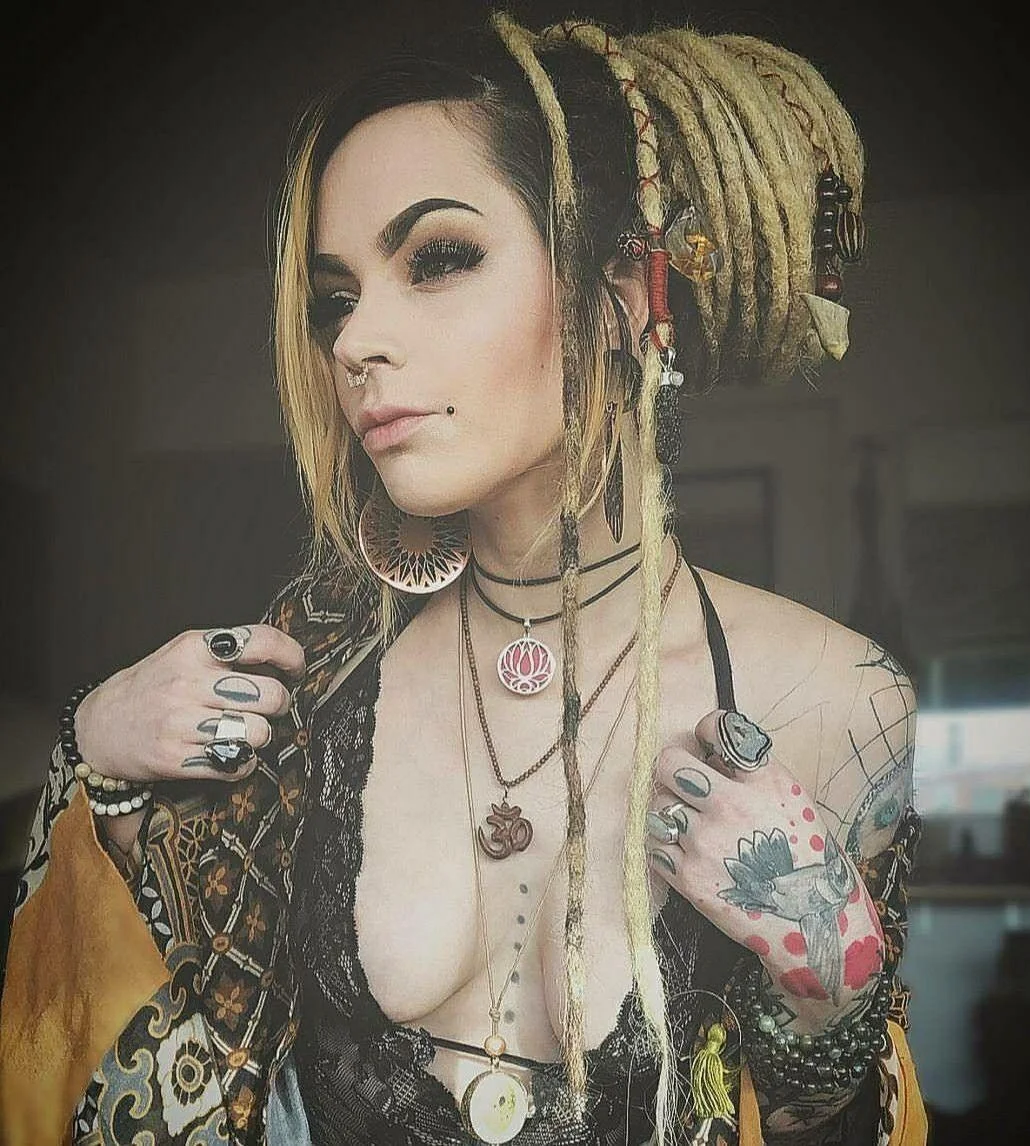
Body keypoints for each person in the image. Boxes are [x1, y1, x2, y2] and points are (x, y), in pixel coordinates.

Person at [0, 10, 925, 1145]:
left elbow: (811, 1119)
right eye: (337, 298)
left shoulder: (844, 701)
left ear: (623, 294)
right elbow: (105, 1042)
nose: (353, 343)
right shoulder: (311, 677)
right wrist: (94, 758)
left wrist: (829, 983)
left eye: (437, 259)